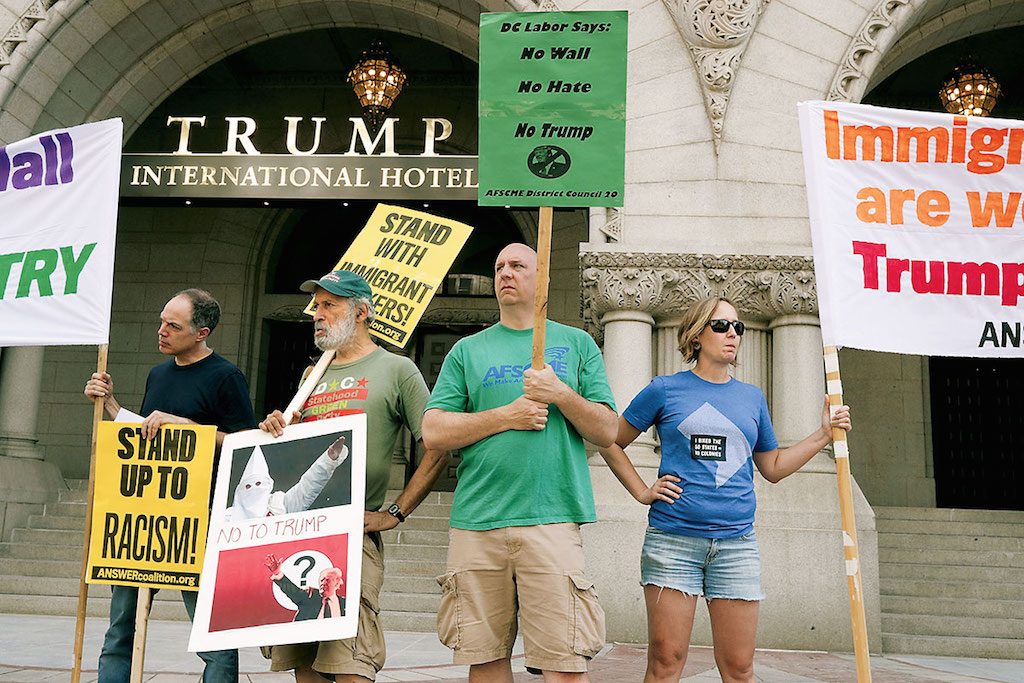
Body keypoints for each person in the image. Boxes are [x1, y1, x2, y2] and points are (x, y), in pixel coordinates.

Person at [597, 296, 852, 683]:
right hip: (673, 542)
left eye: (738, 327)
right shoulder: (665, 390)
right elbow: (610, 439)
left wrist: (822, 435)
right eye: (721, 326)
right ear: (696, 335)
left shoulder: (751, 397)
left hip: (736, 546)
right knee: (666, 662)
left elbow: (773, 467)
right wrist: (641, 490)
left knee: (739, 668)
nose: (732, 334)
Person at [421, 243, 618, 682]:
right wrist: (506, 415)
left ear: (542, 278)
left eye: (517, 266)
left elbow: (607, 431)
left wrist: (560, 394)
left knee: (563, 663)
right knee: (485, 658)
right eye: (499, 267)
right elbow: (433, 431)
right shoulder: (467, 351)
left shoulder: (577, 343)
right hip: (477, 522)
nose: (505, 273)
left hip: (551, 518)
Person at [259, 268, 450, 683]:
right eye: (316, 305)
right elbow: (296, 458)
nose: (317, 313)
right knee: (304, 661)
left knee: (352, 662)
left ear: (361, 311)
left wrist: (395, 512)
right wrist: (279, 428)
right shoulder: (311, 376)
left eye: (329, 305)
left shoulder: (397, 369)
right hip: (301, 531)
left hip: (352, 530)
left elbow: (438, 444)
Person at [83, 288, 256, 683]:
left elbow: (246, 446)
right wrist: (109, 404)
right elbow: (147, 436)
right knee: (119, 630)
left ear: (202, 332)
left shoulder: (226, 377)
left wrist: (191, 428)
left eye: (173, 325)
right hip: (142, 518)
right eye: (162, 320)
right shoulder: (157, 373)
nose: (161, 330)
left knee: (212, 633)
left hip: (197, 519)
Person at [224, 437, 348, 522]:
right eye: (248, 486)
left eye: (258, 483)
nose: (254, 488)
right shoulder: (228, 517)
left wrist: (327, 460)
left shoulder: (278, 504)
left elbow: (307, 488)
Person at [265, 555, 345, 620]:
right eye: (321, 580)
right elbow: (293, 591)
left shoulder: (345, 603)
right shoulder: (310, 595)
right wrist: (277, 573)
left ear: (337, 583)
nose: (323, 583)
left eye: (327, 580)